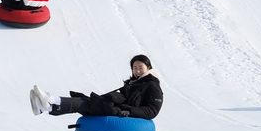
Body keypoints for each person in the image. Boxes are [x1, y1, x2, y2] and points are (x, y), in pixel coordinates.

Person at [30, 55, 163, 119]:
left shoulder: (152, 85)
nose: (137, 71)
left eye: (141, 68)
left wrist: (129, 111)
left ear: (149, 68)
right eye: (135, 68)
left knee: (87, 103)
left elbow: (152, 110)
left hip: (120, 113)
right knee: (85, 104)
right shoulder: (133, 84)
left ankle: (51, 100)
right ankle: (45, 108)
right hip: (116, 108)